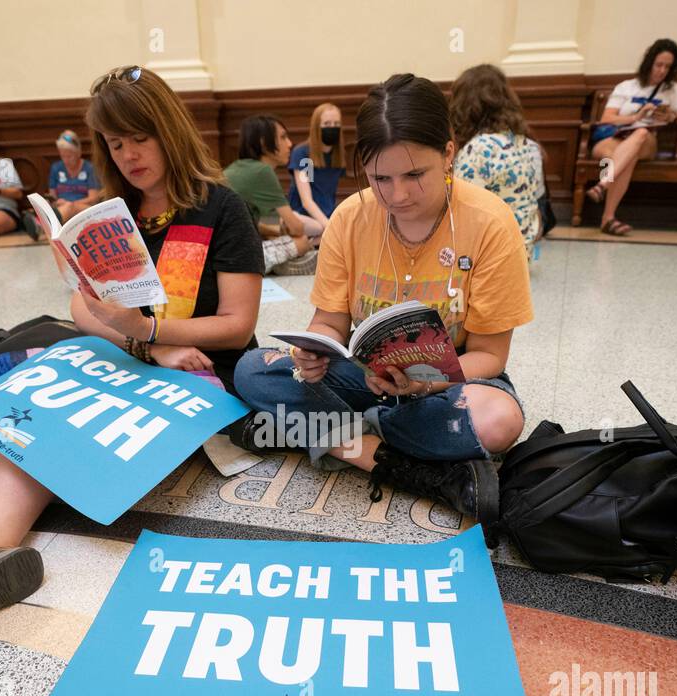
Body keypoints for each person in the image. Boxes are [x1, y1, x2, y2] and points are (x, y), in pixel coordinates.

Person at [0, 66, 263, 662]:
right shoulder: (110, 210)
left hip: (201, 367)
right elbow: (82, 305)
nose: (129, 155)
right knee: (45, 398)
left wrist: (151, 332)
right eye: (115, 144)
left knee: (81, 412)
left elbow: (237, 323)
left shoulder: (221, 208)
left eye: (138, 138)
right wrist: (144, 344)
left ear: (168, 130)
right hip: (139, 355)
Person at [232, 73, 533, 525]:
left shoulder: (489, 223)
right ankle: (399, 458)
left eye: (415, 174)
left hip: (451, 385)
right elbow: (330, 321)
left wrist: (424, 383)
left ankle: (323, 434)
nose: (399, 194)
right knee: (253, 369)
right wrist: (311, 349)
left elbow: (490, 354)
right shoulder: (350, 219)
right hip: (364, 377)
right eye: (380, 178)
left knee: (499, 421)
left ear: (448, 153)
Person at [583, 39, 677, 237]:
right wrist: (637, 117)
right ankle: (608, 219)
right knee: (626, 157)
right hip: (616, 138)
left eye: (667, 67)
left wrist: (672, 117)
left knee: (641, 133)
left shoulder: (672, 90)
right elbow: (607, 118)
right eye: (658, 65)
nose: (662, 71)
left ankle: (603, 184)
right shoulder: (626, 87)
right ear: (649, 63)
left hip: (647, 140)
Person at [451, 63, 547, 256]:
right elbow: (537, 197)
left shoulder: (477, 150)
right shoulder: (526, 144)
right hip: (523, 251)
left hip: (493, 256)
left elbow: (461, 214)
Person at [224, 115, 317, 274]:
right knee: (301, 242)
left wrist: (278, 230)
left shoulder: (239, 167)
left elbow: (259, 223)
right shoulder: (262, 171)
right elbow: (297, 228)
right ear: (263, 143)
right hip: (231, 257)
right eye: (283, 137)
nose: (289, 144)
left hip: (220, 248)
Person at [288, 103, 347, 233]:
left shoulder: (337, 156)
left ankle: (312, 241)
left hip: (326, 214)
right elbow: (306, 201)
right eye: (326, 124)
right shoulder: (304, 155)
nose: (332, 128)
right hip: (304, 215)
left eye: (336, 124)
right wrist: (329, 226)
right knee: (318, 227)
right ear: (316, 127)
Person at [48, 129, 102, 221]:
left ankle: (42, 226)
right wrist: (58, 203)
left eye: (69, 156)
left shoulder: (89, 168)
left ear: (78, 153)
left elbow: (94, 198)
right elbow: (52, 197)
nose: (65, 160)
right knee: (62, 210)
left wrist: (71, 204)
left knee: (70, 207)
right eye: (63, 156)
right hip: (62, 208)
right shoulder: (56, 168)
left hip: (84, 209)